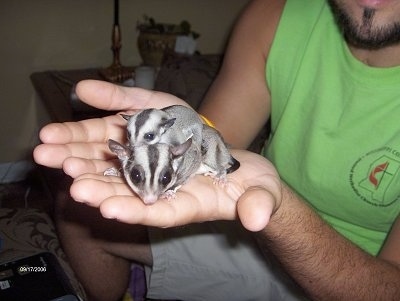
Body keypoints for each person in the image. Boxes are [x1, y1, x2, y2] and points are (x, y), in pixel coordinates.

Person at [34, 0, 400, 300]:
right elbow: (213, 136)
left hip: (351, 271)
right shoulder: (276, 15)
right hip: (250, 238)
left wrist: (281, 212)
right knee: (77, 202)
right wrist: (183, 126)